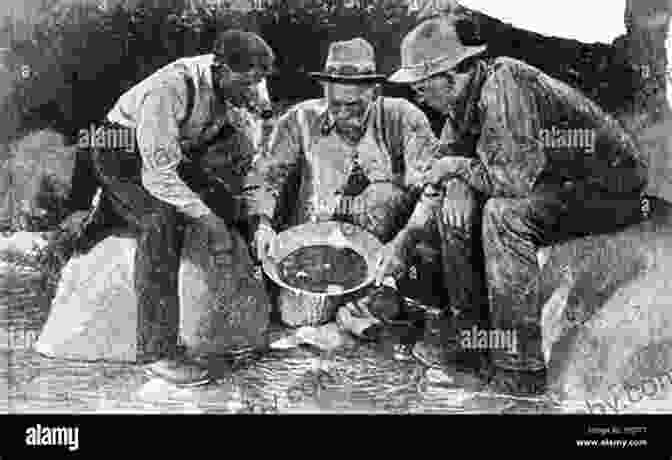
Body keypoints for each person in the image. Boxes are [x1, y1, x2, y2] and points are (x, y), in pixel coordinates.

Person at [388, 16, 649, 396]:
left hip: (611, 190)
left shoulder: (505, 85)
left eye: (421, 84)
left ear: (454, 74)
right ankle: (472, 351)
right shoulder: (461, 107)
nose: (417, 95)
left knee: (502, 216)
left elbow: (511, 182)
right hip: (553, 185)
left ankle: (520, 375)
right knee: (454, 206)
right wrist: (405, 239)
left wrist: (458, 169)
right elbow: (437, 180)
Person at [55, 29, 277, 386]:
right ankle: (157, 352)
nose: (253, 92)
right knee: (159, 221)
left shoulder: (249, 91)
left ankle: (234, 329)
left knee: (225, 203)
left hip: (175, 151)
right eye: (246, 83)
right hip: (121, 151)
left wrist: (259, 219)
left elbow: (253, 165)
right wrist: (211, 224)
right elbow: (158, 177)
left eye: (259, 82)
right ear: (220, 69)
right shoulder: (171, 87)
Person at [243, 37, 447, 337]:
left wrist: (405, 242)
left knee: (381, 197)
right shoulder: (300, 118)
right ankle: (358, 308)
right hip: (321, 238)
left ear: (374, 93)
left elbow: (434, 184)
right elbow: (265, 175)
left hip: (386, 244)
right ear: (324, 91)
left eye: (352, 105)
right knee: (298, 318)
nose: (341, 114)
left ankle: (386, 292)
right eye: (334, 104)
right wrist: (262, 223)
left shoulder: (402, 116)